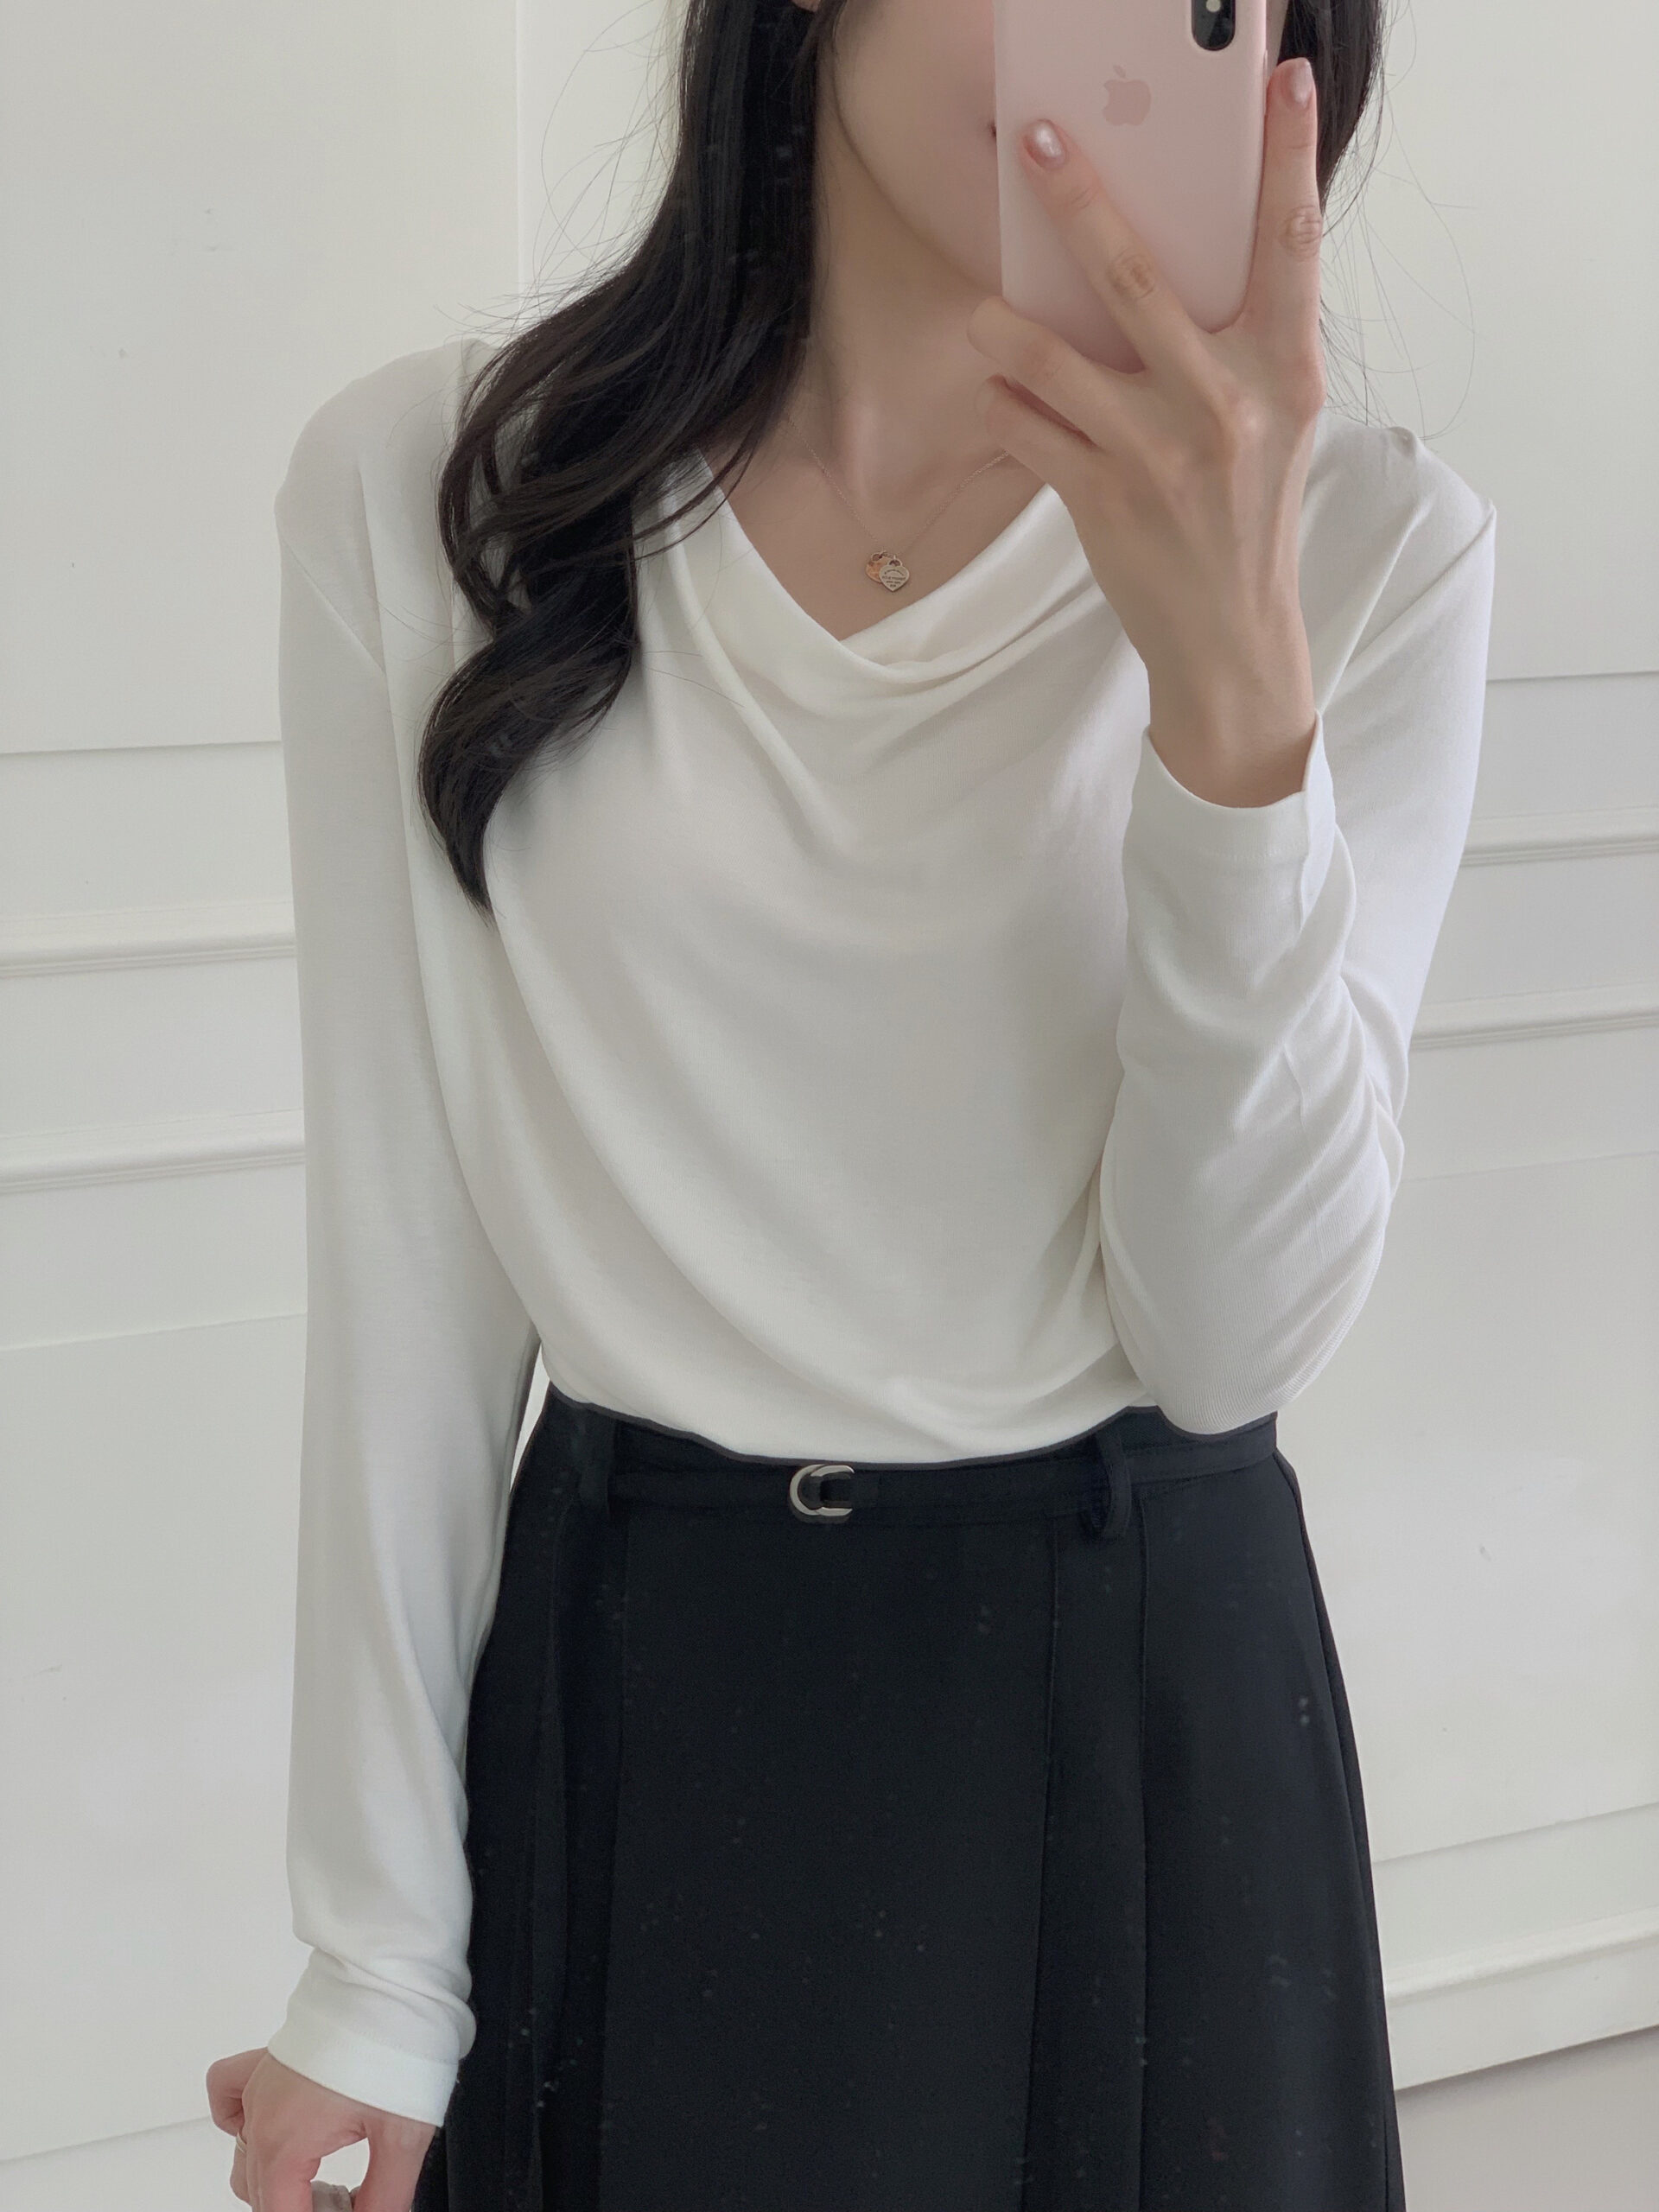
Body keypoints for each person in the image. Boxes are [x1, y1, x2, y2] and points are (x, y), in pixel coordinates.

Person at [206, 0, 1497, 2204]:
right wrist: (375, 1960)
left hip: (1149, 1682)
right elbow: (407, 1265)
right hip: (642, 1674)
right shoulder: (444, 492)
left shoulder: (1368, 543)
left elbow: (1225, 1338)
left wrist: (1230, 710)